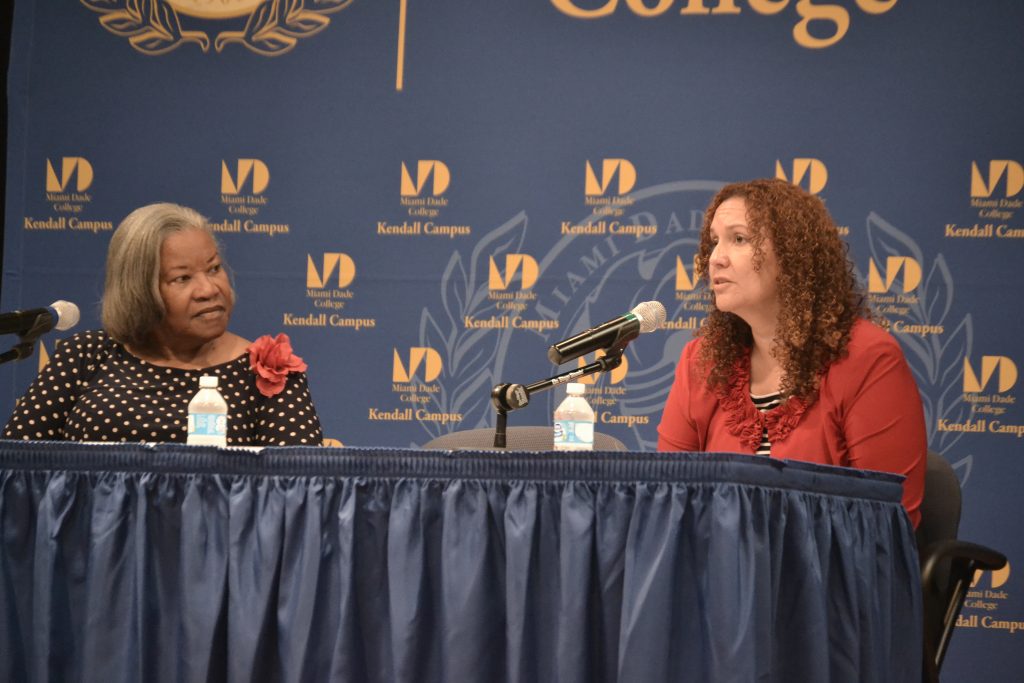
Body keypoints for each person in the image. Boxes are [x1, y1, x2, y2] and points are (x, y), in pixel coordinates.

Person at [657, 179, 926, 527]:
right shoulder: (702, 360)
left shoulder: (868, 358)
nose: (715, 259)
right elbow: (667, 497)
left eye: (739, 239)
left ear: (791, 255)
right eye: (713, 242)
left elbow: (887, 521)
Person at [3, 202, 323, 446]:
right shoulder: (85, 355)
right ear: (140, 290)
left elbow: (296, 494)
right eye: (183, 278)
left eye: (213, 269)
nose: (209, 289)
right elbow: (18, 471)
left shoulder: (268, 369)